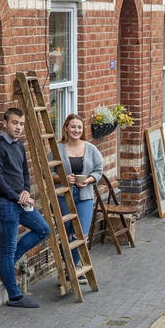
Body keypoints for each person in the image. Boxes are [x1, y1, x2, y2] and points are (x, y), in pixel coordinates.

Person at [0, 107, 51, 308]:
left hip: (18, 200)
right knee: (8, 247)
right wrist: (17, 197)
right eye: (15, 123)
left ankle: (4, 265)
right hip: (4, 203)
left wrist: (25, 191)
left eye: (21, 124)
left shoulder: (19, 146)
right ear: (5, 123)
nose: (18, 127)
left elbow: (24, 173)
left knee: (43, 229)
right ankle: (14, 296)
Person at [56, 114, 102, 277]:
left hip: (84, 197)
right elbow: (47, 172)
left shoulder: (90, 149)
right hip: (63, 197)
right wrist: (62, 178)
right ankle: (70, 267)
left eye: (79, 127)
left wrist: (89, 180)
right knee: (66, 233)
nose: (76, 130)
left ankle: (72, 268)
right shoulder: (57, 149)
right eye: (73, 127)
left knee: (80, 234)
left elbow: (98, 170)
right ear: (66, 128)